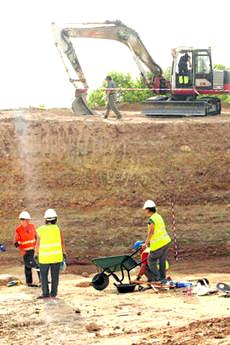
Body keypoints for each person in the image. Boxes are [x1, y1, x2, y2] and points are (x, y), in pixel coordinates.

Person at [35, 209, 66, 299]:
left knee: (43, 276)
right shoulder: (58, 229)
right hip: (56, 257)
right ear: (55, 219)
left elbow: (37, 244)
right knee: (55, 276)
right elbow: (62, 243)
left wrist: (36, 254)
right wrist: (64, 253)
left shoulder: (40, 230)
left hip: (44, 258)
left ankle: (45, 293)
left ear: (46, 219)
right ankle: (53, 293)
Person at [142, 200, 171, 282]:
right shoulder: (158, 216)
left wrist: (146, 243)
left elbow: (151, 232)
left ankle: (158, 278)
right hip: (166, 242)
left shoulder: (151, 220)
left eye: (145, 209)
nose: (145, 211)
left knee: (151, 260)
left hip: (158, 244)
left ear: (148, 209)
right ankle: (163, 279)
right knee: (162, 261)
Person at [14, 211, 40, 287]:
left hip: (34, 250)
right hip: (26, 251)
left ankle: (42, 281)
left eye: (27, 220)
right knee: (28, 266)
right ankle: (29, 283)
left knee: (38, 265)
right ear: (21, 220)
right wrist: (21, 250)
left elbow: (36, 237)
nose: (26, 221)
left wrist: (37, 248)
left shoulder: (32, 226)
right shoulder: (18, 230)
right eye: (24, 220)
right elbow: (16, 243)